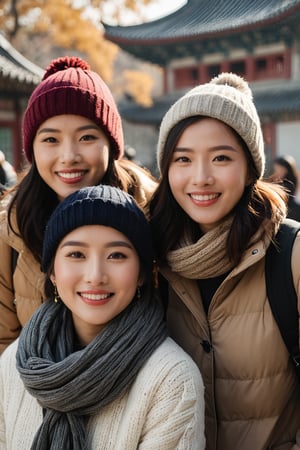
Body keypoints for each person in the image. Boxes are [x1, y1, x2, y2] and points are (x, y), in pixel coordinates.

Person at [149, 73, 300, 450]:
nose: (201, 178)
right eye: (182, 159)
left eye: (221, 158)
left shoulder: (291, 254)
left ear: (250, 167)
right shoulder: (149, 257)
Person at [0, 184, 205, 449]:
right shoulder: (14, 363)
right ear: (52, 272)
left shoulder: (171, 379)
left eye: (116, 255)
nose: (95, 275)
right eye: (76, 254)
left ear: (143, 273)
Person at [0, 56, 157, 354]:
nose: (69, 156)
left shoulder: (155, 212)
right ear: (31, 148)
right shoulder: (11, 226)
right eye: (50, 140)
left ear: (111, 145)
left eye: (86, 137)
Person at [270, 154, 300, 221]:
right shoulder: (276, 180)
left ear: (286, 169)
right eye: (276, 169)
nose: (276, 172)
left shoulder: (294, 181)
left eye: (278, 169)